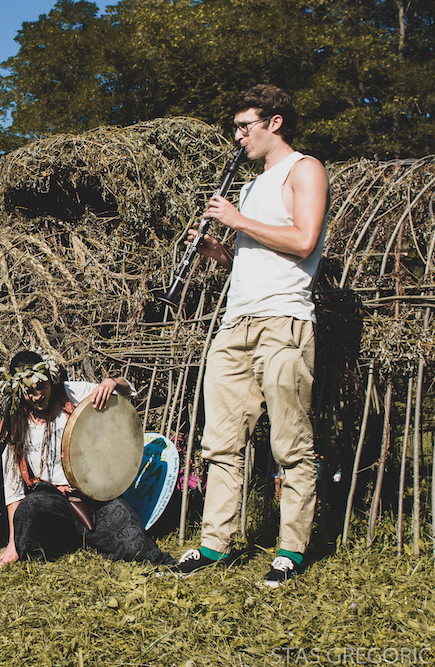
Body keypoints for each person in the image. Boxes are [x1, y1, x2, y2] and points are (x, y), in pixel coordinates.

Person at [175, 84, 330, 587]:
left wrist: (239, 220)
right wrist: (214, 248)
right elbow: (248, 259)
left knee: (290, 441)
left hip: (283, 319)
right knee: (220, 441)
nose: (237, 135)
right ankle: (214, 545)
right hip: (236, 321)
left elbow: (304, 240)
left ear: (275, 122)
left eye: (246, 126)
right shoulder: (247, 185)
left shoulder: (304, 169)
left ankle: (291, 550)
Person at [0, 350, 174, 566]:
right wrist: (13, 542)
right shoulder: (16, 421)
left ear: (50, 380)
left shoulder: (70, 393)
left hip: (93, 494)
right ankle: (66, 543)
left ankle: (96, 538)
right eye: (29, 391)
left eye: (42, 386)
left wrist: (111, 383)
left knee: (134, 543)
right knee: (28, 512)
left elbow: (128, 391)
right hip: (49, 499)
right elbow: (13, 491)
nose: (37, 395)